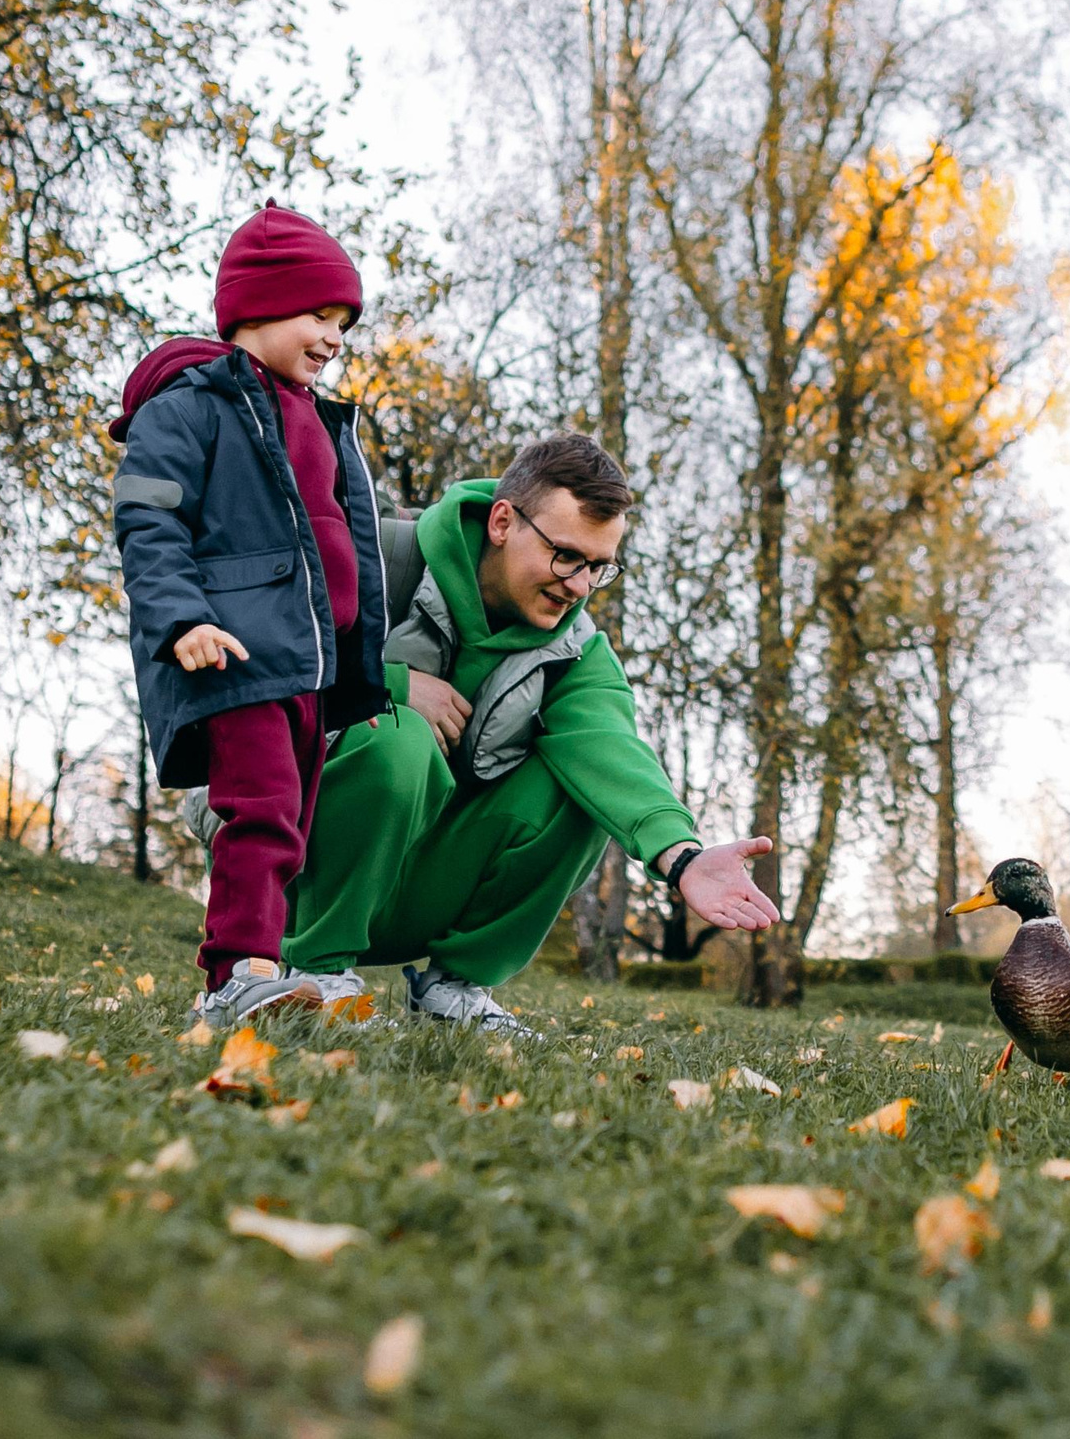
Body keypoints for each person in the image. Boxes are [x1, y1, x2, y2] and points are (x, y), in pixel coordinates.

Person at [278, 431, 775, 1034]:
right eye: (566, 555)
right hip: (287, 875)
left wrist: (683, 857)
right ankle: (316, 976)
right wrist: (389, 686)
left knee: (580, 786)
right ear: (503, 521)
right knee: (398, 735)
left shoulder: (576, 647)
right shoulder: (370, 557)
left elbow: (610, 750)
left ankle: (454, 991)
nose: (579, 585)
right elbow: (263, 661)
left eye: (599, 567)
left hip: (415, 888)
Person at [111, 200, 390, 1029]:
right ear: (257, 307)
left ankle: (279, 969)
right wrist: (180, 618)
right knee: (261, 811)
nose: (335, 337)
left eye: (344, 322)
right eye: (319, 313)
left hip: (308, 663)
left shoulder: (321, 421)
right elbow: (148, 520)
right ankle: (236, 974)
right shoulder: (191, 405)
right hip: (234, 653)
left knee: (297, 824)